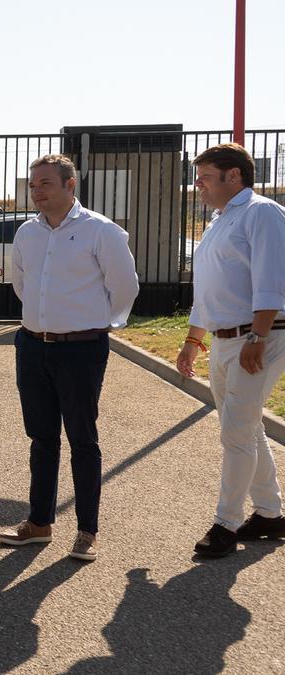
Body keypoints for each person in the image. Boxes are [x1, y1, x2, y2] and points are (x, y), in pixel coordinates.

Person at [0, 154, 139, 563]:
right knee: (41, 438)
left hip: (81, 350)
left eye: (45, 184)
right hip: (33, 346)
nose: (37, 191)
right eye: (33, 185)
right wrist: (45, 323)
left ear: (70, 184)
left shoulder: (101, 231)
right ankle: (39, 524)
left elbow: (125, 287)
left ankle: (87, 530)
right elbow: (21, 283)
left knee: (82, 439)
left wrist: (94, 324)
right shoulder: (27, 232)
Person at [177, 143, 285, 557]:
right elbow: (207, 291)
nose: (198, 185)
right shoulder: (219, 221)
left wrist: (257, 337)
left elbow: (271, 278)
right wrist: (192, 339)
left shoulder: (262, 213)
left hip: (257, 338)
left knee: (236, 432)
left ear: (233, 176)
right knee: (246, 427)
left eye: (204, 177)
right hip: (224, 340)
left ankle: (226, 524)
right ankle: (272, 514)